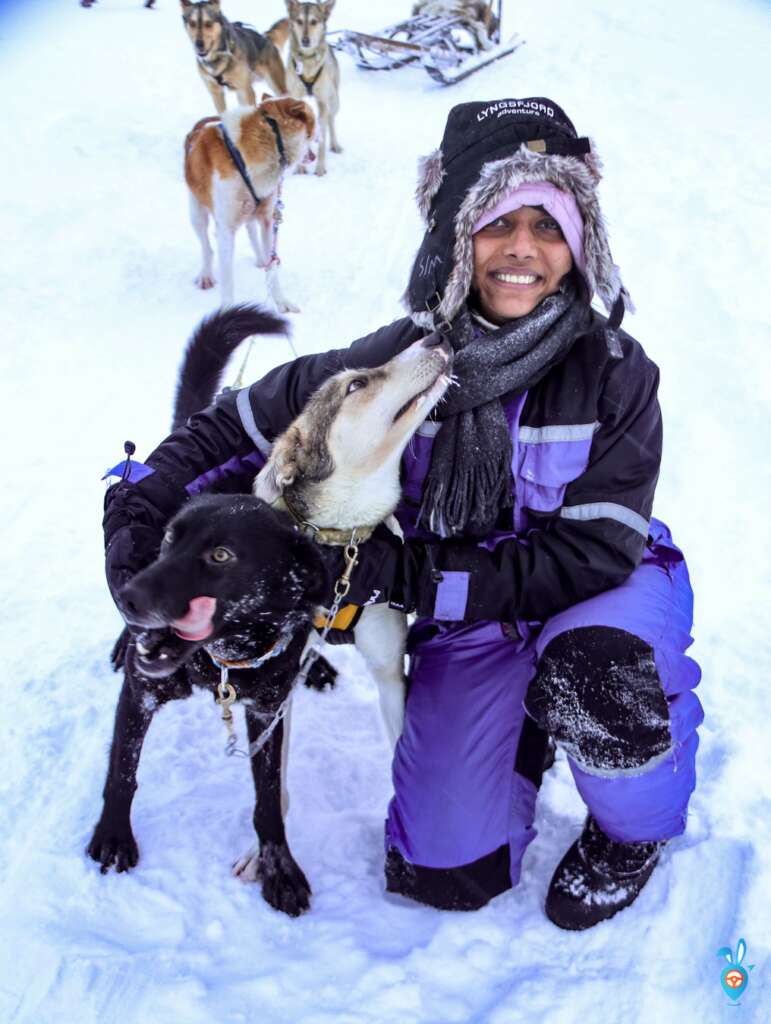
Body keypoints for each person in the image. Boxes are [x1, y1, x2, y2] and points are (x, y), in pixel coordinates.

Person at [103, 96, 703, 930]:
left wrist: (408, 575)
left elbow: (595, 553)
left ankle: (631, 832)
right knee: (443, 874)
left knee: (600, 667)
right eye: (497, 222)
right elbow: (243, 430)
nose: (522, 249)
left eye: (549, 224)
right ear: (456, 234)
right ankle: (522, 732)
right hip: (471, 621)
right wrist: (141, 505)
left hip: (597, 590)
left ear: (579, 242)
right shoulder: (402, 358)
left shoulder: (613, 370)